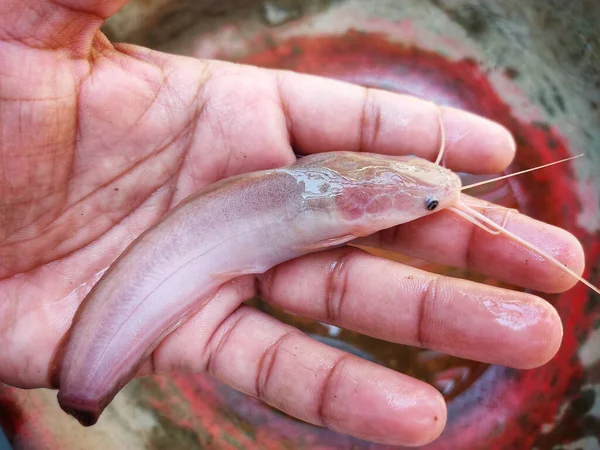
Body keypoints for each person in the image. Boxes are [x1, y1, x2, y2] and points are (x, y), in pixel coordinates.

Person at [0, 0, 583, 447]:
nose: (434, 192)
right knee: (89, 374)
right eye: (425, 193)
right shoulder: (340, 204)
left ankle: (85, 384)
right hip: (217, 232)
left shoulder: (351, 194)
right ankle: (85, 383)